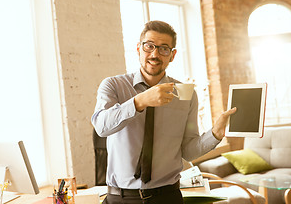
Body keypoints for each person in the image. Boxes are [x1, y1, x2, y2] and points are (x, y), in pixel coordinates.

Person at [91, 20, 236, 204]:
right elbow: (101, 127)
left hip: (167, 197)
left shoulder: (185, 94)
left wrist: (215, 134)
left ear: (172, 55)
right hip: (120, 198)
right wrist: (140, 101)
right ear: (138, 48)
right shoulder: (113, 85)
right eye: (149, 46)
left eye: (163, 49)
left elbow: (188, 152)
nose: (155, 54)